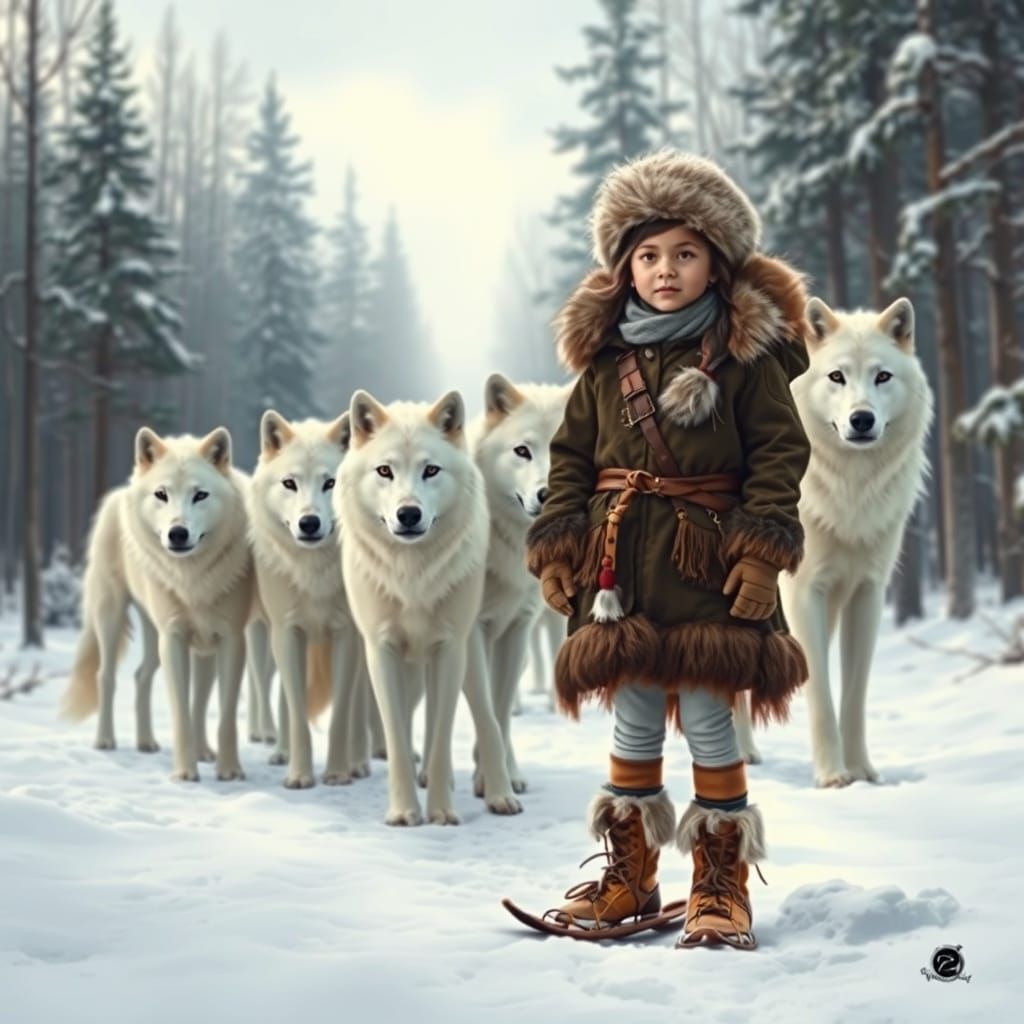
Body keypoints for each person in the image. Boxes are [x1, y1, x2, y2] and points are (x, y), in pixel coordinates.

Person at [520, 149, 811, 950]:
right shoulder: (606, 364)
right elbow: (572, 458)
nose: (665, 269)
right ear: (625, 266)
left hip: (709, 563)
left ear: (716, 264)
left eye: (684, 253)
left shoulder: (746, 359)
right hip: (618, 569)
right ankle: (629, 874)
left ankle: (720, 881)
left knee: (714, 718)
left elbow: (779, 458)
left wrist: (760, 555)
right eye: (647, 255)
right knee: (636, 716)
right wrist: (557, 545)